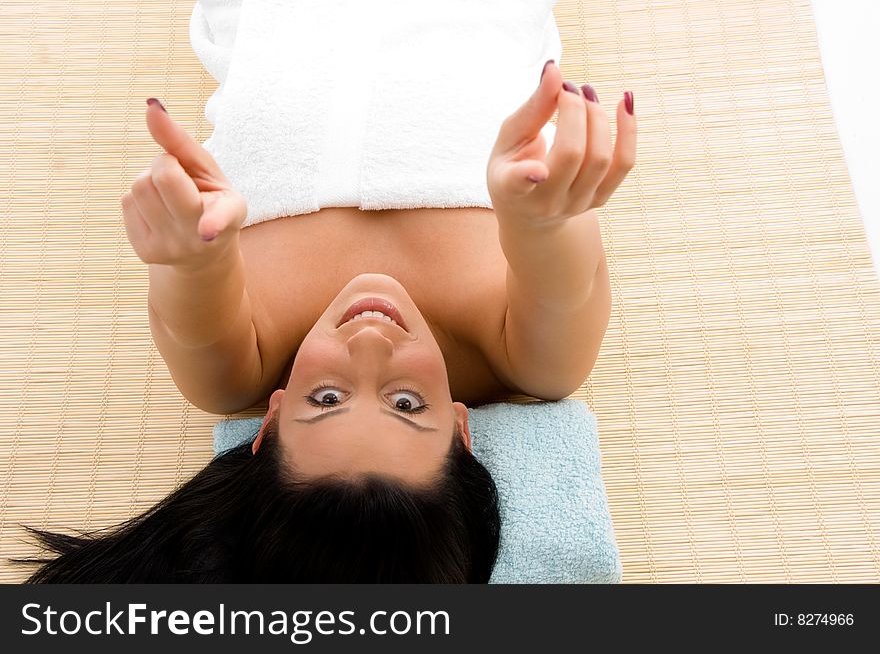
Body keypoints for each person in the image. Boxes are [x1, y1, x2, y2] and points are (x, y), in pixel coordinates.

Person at [21, 56, 636, 582]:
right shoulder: (530, 357)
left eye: (326, 396)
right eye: (405, 405)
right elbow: (569, 282)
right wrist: (544, 220)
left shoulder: (236, 369)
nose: (369, 343)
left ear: (270, 422)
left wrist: (189, 254)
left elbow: (191, 312)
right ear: (461, 433)